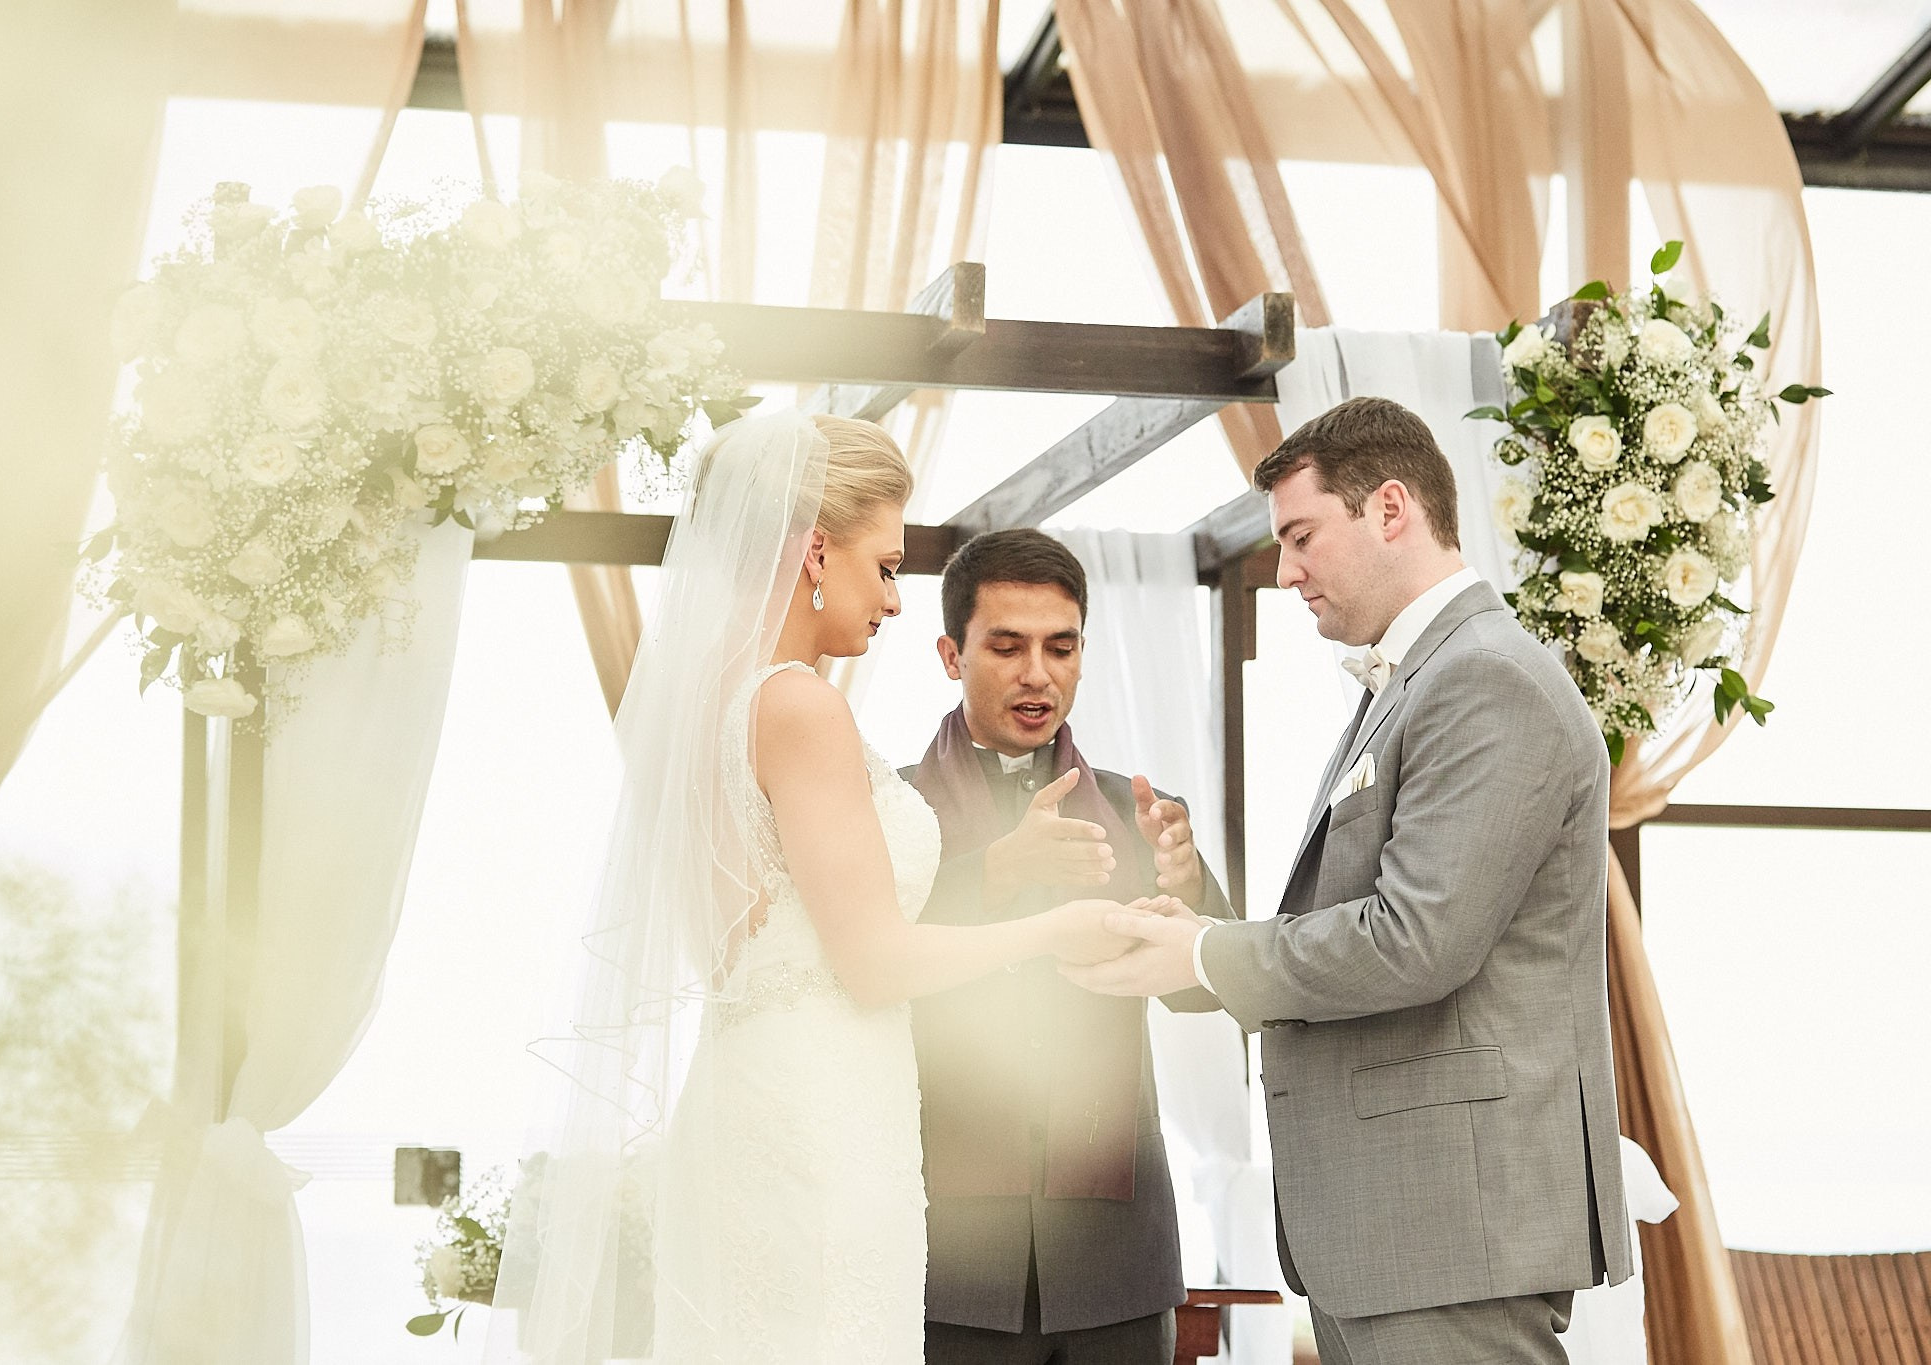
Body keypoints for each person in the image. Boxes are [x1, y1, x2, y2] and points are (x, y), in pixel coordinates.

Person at [487, 411, 1146, 1365]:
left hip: (752, 1085)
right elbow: (875, 962)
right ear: (814, 551)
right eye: (884, 566)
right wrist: (1053, 926)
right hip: (824, 1108)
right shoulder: (798, 704)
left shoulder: (702, 705)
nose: (891, 601)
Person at [1063, 396, 1632, 1364]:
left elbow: (1414, 941)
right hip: (1398, 1229)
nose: (1283, 572)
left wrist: (1202, 949)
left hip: (1449, 1231)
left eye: (1298, 537)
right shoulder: (1419, 681)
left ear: (1390, 509)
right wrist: (1188, 944)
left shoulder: (1484, 677)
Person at [899, 529, 1233, 1364]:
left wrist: (1189, 888)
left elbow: (1210, 992)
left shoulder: (1141, 808)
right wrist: (992, 876)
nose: (1036, 674)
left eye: (1061, 646)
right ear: (951, 653)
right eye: (1006, 646)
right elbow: (857, 962)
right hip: (944, 1258)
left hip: (1114, 1262)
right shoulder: (890, 810)